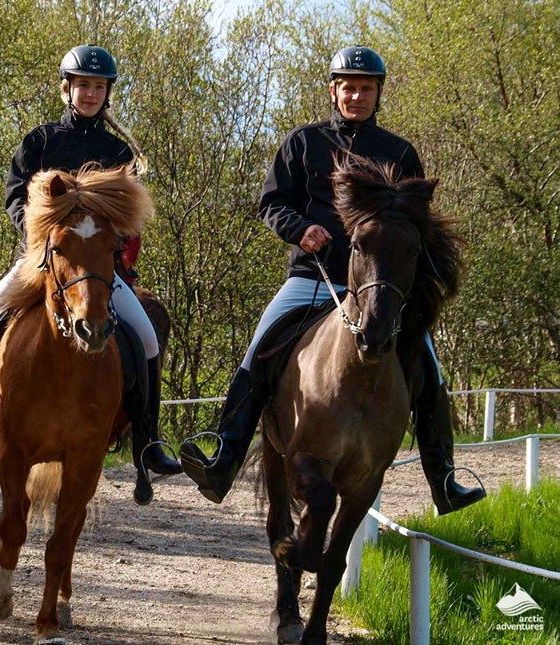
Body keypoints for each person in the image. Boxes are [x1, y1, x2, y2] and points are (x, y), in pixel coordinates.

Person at [179, 46, 486, 515]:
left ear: (378, 92)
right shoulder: (303, 142)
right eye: (348, 87)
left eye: (366, 88)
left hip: (380, 288)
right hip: (314, 277)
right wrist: (300, 230)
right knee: (259, 347)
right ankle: (225, 455)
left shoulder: (400, 153)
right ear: (333, 90)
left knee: (430, 367)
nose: (357, 95)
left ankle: (443, 476)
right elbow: (271, 202)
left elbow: (414, 226)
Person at [0, 45, 181, 499]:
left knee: (146, 339)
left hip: (98, 269)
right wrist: (39, 233)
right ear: (66, 89)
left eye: (98, 87)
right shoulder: (40, 142)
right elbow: (16, 198)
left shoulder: (117, 151)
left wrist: (117, 253)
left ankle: (148, 440)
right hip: (40, 261)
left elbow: (128, 216)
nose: (90, 94)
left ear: (107, 93)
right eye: (82, 86)